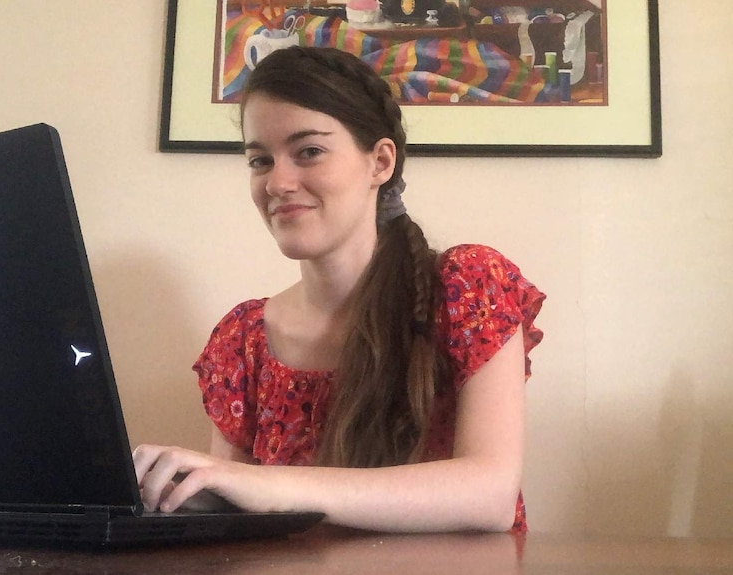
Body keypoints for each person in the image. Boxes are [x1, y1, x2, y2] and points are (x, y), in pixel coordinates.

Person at [133, 46, 545, 533]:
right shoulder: (241, 339)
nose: (277, 182)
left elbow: (489, 495)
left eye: (308, 151)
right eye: (260, 160)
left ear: (380, 162)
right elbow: (236, 519)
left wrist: (269, 487)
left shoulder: (469, 287)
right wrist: (180, 491)